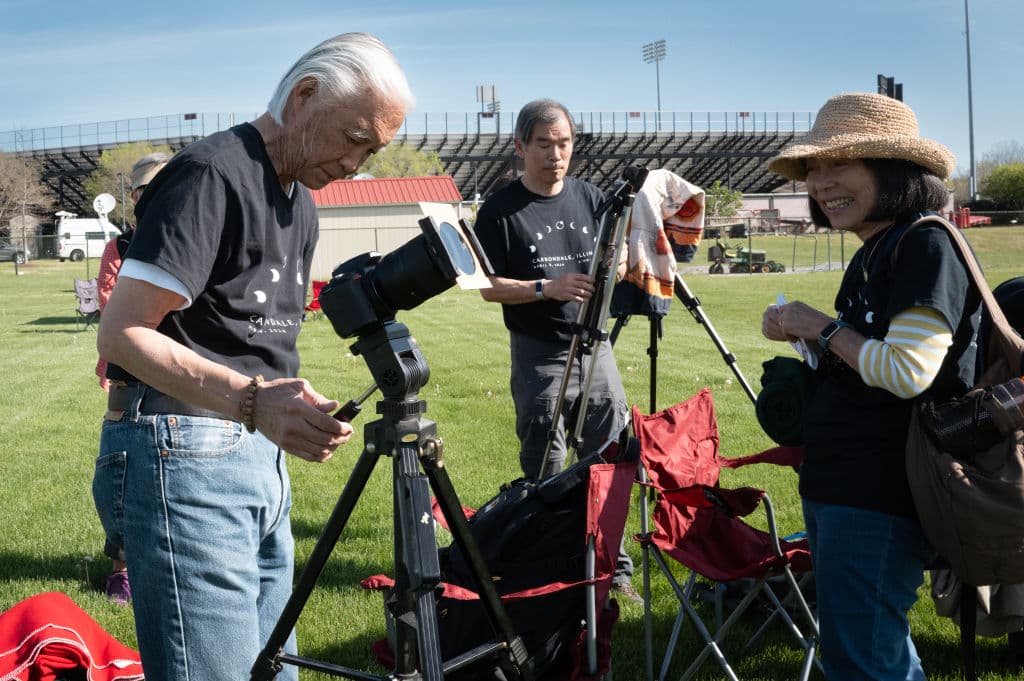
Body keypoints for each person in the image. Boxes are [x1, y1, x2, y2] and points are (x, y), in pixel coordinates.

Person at [92, 32, 412, 681]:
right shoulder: (212, 174)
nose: (358, 161)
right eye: (354, 137)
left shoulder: (303, 204)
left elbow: (245, 337)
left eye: (372, 150)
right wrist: (252, 399)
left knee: (271, 671)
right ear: (302, 97)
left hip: (257, 459)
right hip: (187, 455)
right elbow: (121, 332)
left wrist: (284, 398)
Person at [761, 92, 981, 680]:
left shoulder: (925, 244)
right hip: (845, 482)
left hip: (881, 493)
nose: (820, 182)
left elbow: (909, 373)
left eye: (839, 165)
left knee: (866, 662)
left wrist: (822, 326)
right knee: (862, 653)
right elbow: (866, 363)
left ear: (892, 170)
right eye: (813, 169)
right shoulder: (875, 248)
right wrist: (804, 337)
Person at [472, 99, 638, 603]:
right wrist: (548, 288)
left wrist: (622, 259)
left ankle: (615, 568)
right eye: (543, 144)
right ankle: (557, 568)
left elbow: (618, 250)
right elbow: (487, 286)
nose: (555, 154)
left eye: (563, 143)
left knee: (610, 456)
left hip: (597, 347)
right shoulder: (500, 210)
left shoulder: (591, 197)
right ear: (521, 146)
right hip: (539, 354)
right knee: (548, 464)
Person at [93, 151, 170, 605]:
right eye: (147, 192)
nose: (155, 199)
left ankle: (166, 558)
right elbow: (112, 310)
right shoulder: (119, 248)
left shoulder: (195, 239)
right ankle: (123, 568)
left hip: (182, 374)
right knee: (116, 475)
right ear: (137, 198)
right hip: (127, 372)